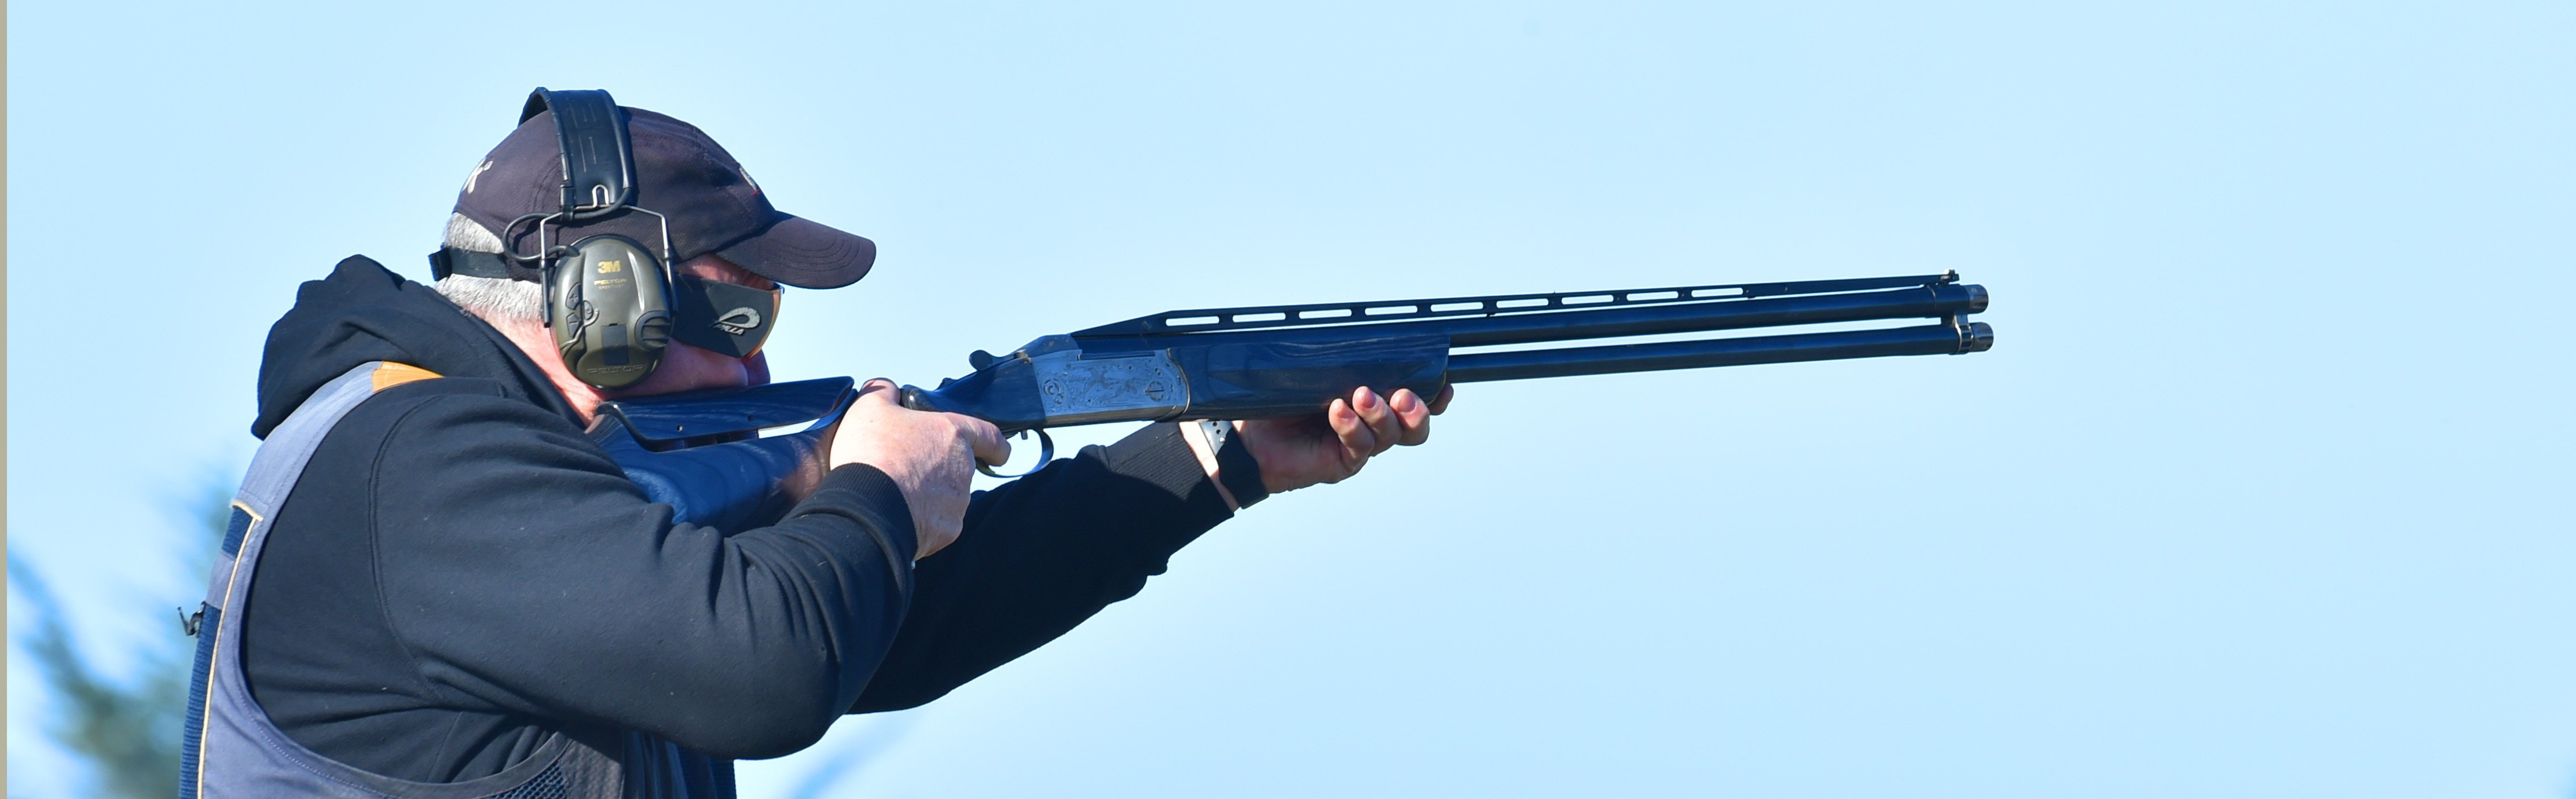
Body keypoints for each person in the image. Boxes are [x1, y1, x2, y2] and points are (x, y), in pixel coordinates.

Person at [189, 94, 1450, 797]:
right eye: (738, 316)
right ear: (602, 306)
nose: (756, 368)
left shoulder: (508, 479)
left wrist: (1212, 464)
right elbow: (765, 671)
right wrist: (870, 487)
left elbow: (871, 640)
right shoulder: (415, 463)